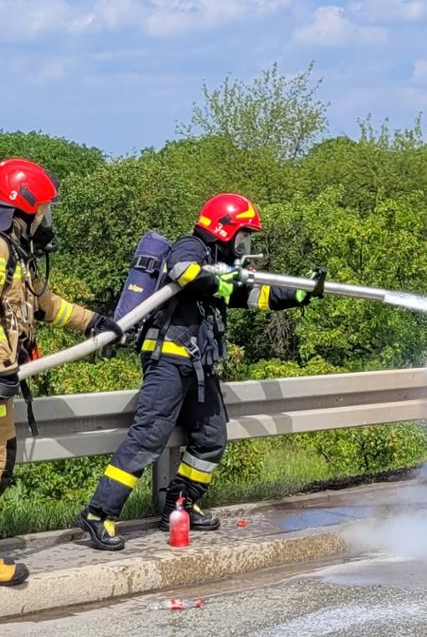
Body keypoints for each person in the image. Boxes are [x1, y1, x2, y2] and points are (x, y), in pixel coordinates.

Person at [76, 193, 311, 550]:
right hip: (168, 364)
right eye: (243, 235)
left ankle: (181, 505)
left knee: (211, 439)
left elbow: (251, 297)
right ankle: (98, 514)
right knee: (147, 440)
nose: (244, 244)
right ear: (223, 230)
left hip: (200, 368)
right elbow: (182, 272)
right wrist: (222, 279)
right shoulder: (191, 247)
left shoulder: (216, 265)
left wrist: (296, 295)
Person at [0, 158, 120, 586]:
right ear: (23, 205)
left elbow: (45, 304)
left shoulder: (13, 248)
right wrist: (2, 366)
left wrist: (96, 323)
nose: (45, 219)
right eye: (42, 209)